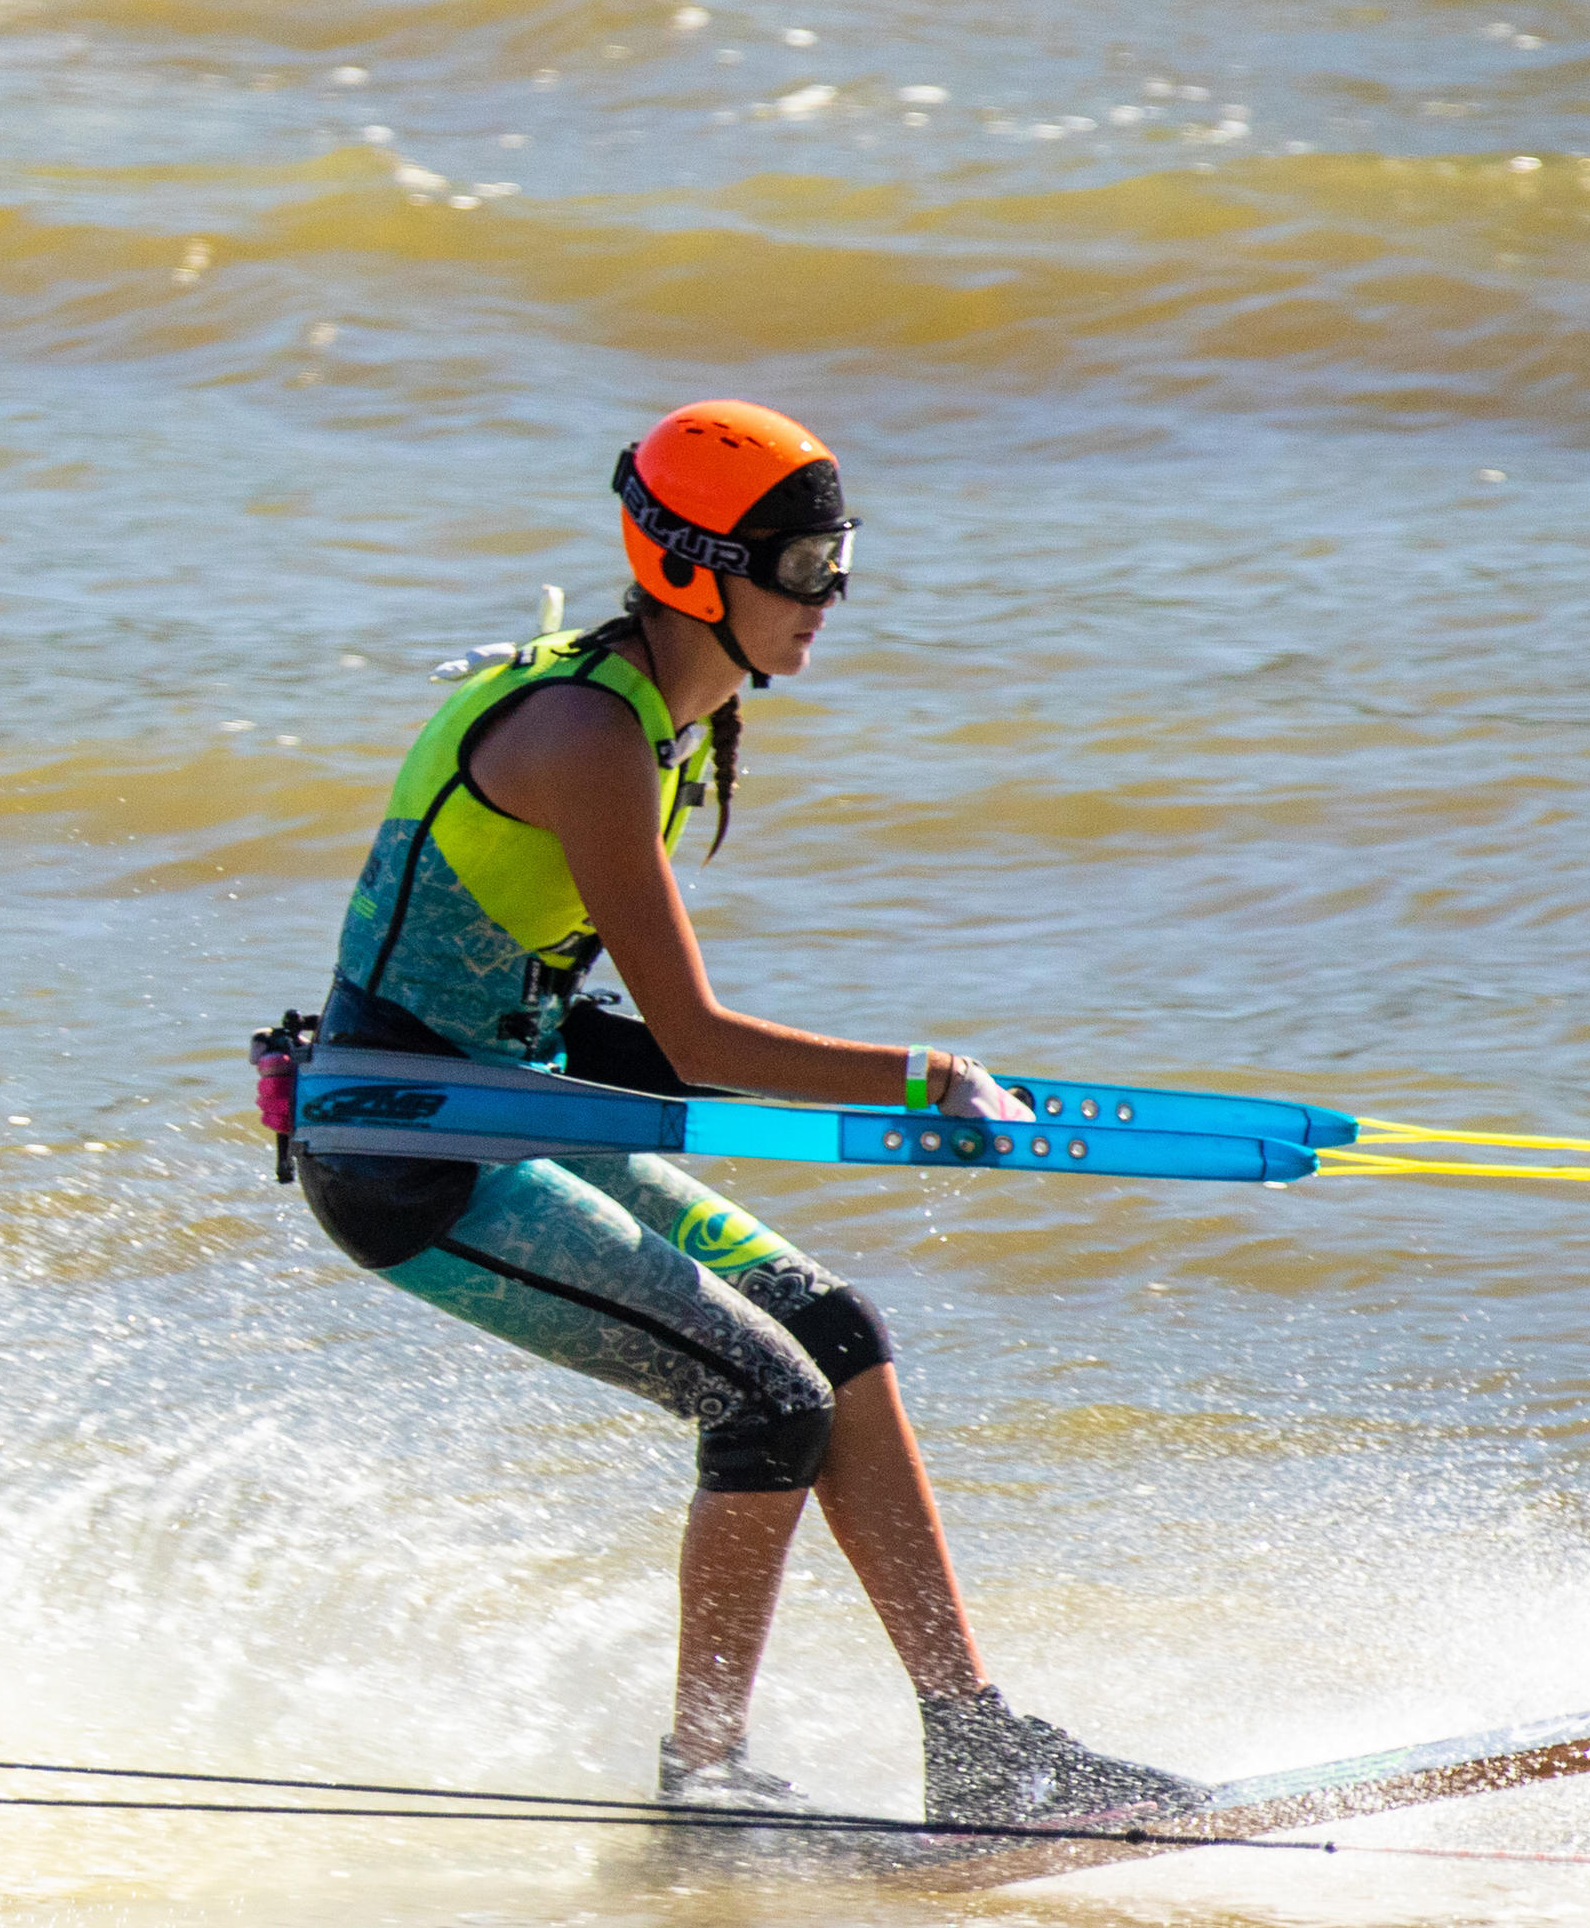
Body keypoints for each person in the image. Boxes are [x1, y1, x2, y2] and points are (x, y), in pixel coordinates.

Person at [292, 400, 1198, 1825]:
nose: (828, 597)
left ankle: (977, 1741)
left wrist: (897, 1086)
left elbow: (617, 1030)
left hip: (514, 1103)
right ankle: (704, 1785)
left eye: (840, 560)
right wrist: (925, 1077)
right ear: (694, 566)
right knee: (764, 1400)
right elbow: (695, 1038)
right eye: (801, 567)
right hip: (412, 1153)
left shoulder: (666, 712)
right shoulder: (585, 732)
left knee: (835, 1334)